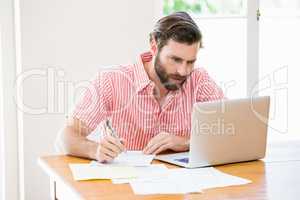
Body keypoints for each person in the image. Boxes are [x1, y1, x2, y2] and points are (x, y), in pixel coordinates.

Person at [58, 11, 225, 163]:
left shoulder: (199, 79)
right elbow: (67, 137)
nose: (183, 71)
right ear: (154, 46)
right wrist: (95, 150)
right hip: (127, 187)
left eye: (191, 62)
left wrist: (187, 142)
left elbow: (233, 132)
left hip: (184, 189)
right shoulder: (111, 80)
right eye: (175, 60)